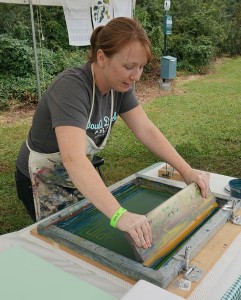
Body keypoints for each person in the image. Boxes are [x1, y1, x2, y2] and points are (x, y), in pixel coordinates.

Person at [15, 17, 209, 250]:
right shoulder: (72, 87)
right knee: (61, 247)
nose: (136, 76)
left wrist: (186, 170)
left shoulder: (120, 87)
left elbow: (146, 130)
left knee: (88, 234)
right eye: (129, 66)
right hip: (41, 176)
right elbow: (73, 158)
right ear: (101, 57)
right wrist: (119, 215)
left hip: (78, 173)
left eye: (141, 67)